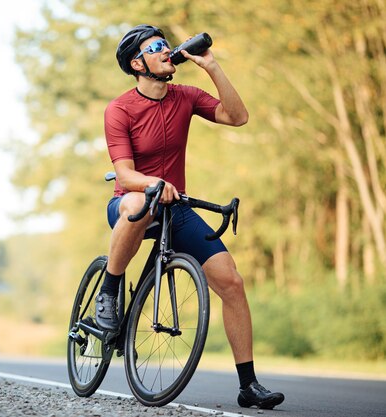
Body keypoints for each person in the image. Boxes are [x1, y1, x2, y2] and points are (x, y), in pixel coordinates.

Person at [94, 24, 285, 410]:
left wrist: (211, 66)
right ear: (138, 63)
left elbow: (238, 116)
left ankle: (248, 385)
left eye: (167, 46)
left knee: (231, 281)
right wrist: (153, 182)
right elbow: (125, 172)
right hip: (133, 200)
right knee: (134, 204)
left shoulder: (185, 97)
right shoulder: (119, 109)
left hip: (175, 207)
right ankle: (109, 292)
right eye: (157, 47)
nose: (168, 51)